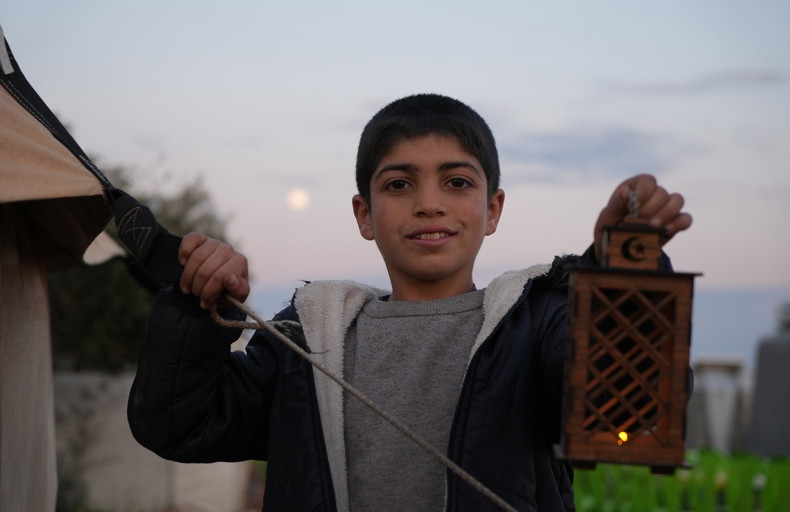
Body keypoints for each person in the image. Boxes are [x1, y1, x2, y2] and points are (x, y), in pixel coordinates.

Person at [127, 94, 692, 511]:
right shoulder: (308, 336)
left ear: (493, 210)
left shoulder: (536, 324)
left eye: (457, 183)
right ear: (364, 214)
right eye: (399, 184)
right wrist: (195, 309)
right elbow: (181, 424)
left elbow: (625, 412)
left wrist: (622, 280)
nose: (429, 204)